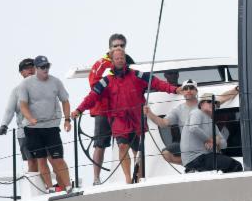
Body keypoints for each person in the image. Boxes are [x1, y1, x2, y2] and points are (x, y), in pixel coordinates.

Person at [72, 48, 178, 184]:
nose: (120, 60)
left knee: (137, 152)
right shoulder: (106, 81)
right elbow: (92, 97)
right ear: (113, 61)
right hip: (119, 120)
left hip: (136, 120)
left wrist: (174, 89)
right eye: (117, 58)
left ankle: (139, 178)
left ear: (125, 59)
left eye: (122, 57)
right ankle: (128, 179)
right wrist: (79, 110)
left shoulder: (137, 75)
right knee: (122, 146)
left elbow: (157, 83)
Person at [144, 81, 238, 165]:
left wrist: (236, 89)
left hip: (208, 142)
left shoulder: (206, 104)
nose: (188, 90)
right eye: (185, 88)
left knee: (217, 141)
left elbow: (222, 98)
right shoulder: (178, 110)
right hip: (190, 145)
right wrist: (149, 113)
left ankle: (197, 163)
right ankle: (189, 163)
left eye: (192, 88)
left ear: (196, 91)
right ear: (182, 92)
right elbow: (163, 123)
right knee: (166, 153)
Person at [18, 55, 73, 192]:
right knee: (41, 159)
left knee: (58, 158)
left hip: (51, 127)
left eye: (47, 66)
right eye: (42, 67)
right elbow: (23, 105)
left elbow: (65, 101)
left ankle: (68, 186)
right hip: (33, 128)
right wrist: (30, 118)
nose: (45, 69)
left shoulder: (56, 82)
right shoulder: (25, 84)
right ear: (36, 68)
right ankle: (49, 188)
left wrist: (67, 119)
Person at [88, 33, 136, 185]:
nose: (119, 48)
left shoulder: (128, 62)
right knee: (100, 144)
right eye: (116, 45)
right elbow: (94, 85)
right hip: (103, 111)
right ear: (109, 48)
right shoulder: (100, 64)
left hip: (121, 111)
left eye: (122, 45)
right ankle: (96, 178)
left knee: (128, 142)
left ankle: (135, 175)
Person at [182, 93, 243, 173]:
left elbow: (224, 145)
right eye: (209, 101)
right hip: (195, 158)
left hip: (206, 157)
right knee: (235, 165)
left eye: (215, 103)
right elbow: (193, 128)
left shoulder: (213, 124)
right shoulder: (197, 112)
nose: (213, 104)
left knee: (232, 166)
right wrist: (210, 140)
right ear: (201, 104)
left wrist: (216, 141)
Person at [0, 58, 38, 174]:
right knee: (32, 161)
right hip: (24, 132)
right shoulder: (16, 91)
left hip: (44, 130)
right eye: (26, 68)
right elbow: (9, 110)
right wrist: (4, 125)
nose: (30, 69)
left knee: (49, 159)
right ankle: (39, 189)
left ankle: (56, 186)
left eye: (32, 67)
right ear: (21, 72)